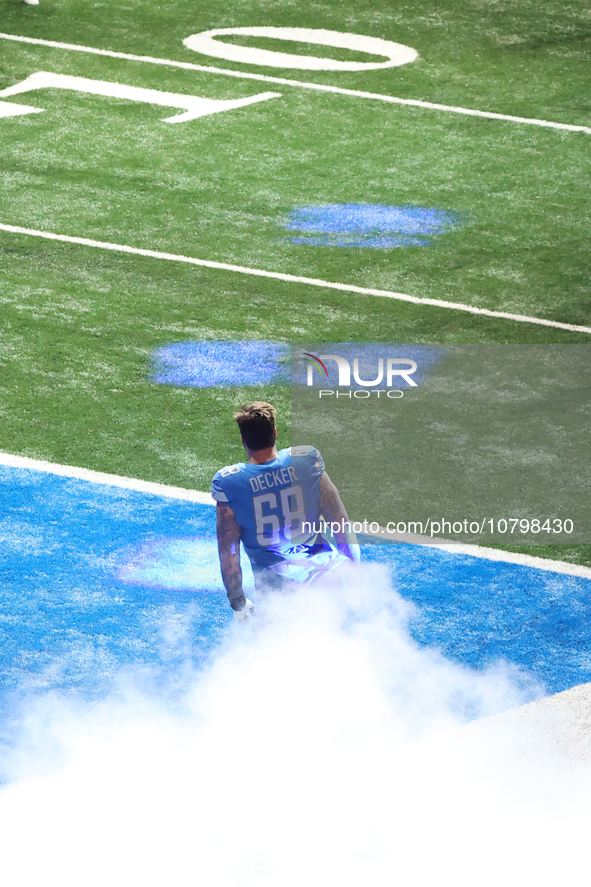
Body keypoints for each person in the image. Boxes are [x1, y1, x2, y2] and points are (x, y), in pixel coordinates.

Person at [211, 401, 361, 622]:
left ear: (243, 440)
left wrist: (238, 602)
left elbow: (229, 556)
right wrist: (355, 579)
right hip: (328, 578)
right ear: (275, 433)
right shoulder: (306, 462)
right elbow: (341, 525)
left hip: (280, 595)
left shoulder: (231, 484)